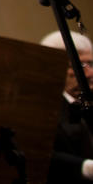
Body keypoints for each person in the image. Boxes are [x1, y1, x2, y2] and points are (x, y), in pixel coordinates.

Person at [40, 30, 93, 183]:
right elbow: (45, 156)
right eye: (78, 66)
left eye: (90, 64)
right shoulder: (45, 111)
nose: (89, 73)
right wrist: (86, 167)